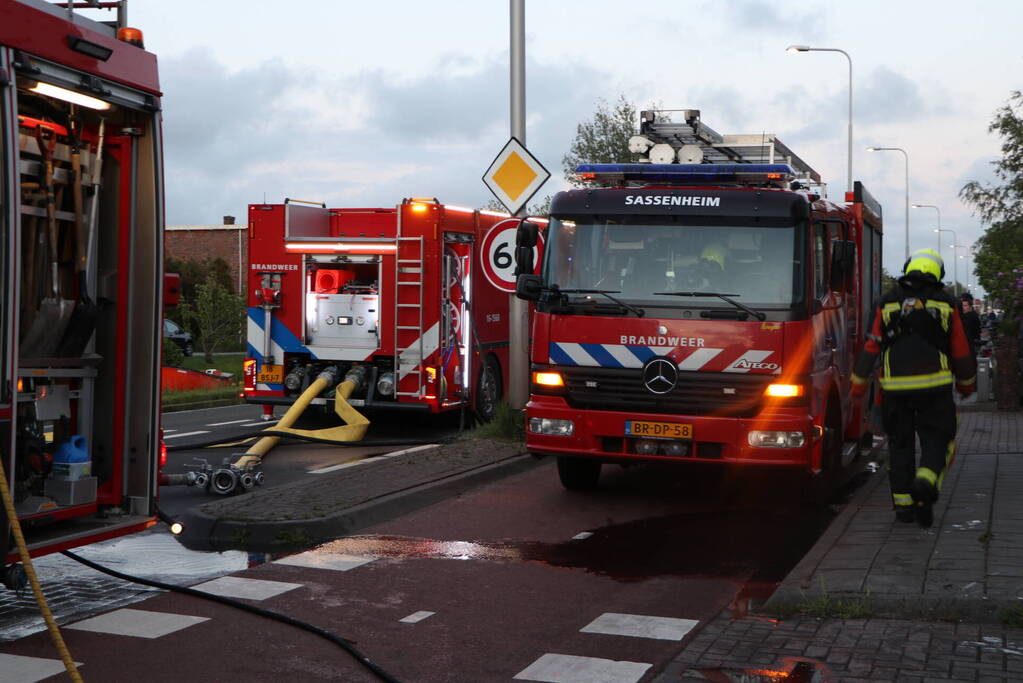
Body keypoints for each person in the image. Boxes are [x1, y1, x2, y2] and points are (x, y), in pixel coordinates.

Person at [850, 248, 977, 528]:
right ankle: (926, 480)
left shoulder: (887, 301)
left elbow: (871, 345)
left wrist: (858, 384)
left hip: (894, 390)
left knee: (900, 446)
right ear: (938, 273)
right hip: (935, 388)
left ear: (908, 269)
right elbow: (960, 348)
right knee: (938, 440)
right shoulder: (947, 302)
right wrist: (966, 384)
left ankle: (904, 508)